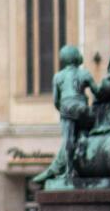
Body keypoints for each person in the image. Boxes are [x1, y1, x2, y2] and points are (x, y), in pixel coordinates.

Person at [32, 45, 94, 187]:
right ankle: (83, 144)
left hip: (66, 107)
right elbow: (97, 91)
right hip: (83, 107)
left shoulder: (58, 76)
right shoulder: (85, 73)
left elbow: (55, 100)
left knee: (68, 140)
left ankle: (69, 170)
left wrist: (63, 111)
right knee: (85, 128)